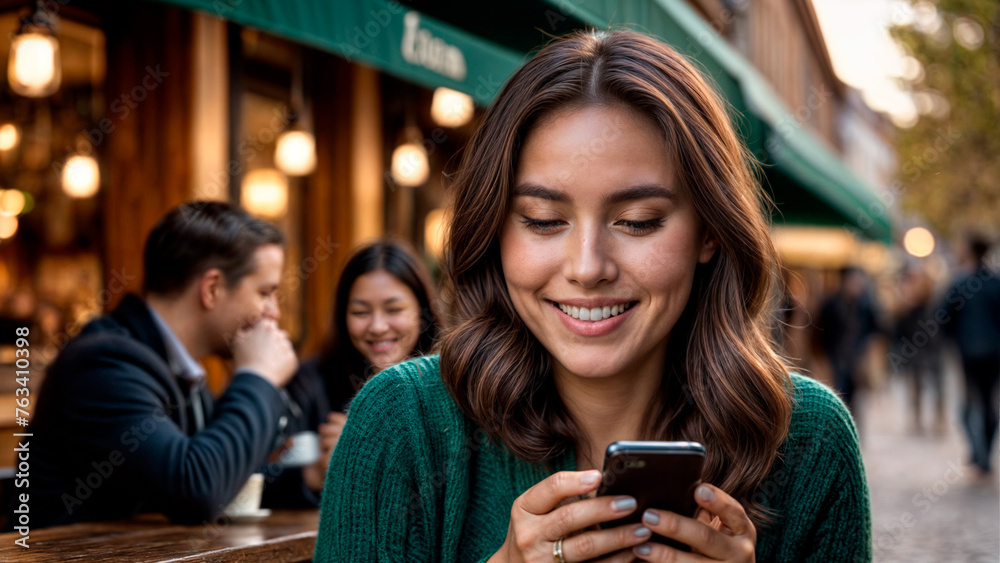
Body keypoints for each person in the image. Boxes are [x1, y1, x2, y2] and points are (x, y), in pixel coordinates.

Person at [315, 30, 871, 562]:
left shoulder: (808, 442)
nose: (586, 268)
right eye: (543, 220)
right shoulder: (400, 424)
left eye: (636, 222)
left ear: (710, 231)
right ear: (495, 229)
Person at [10, 201, 299, 529]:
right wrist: (257, 377)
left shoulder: (177, 368)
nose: (273, 312)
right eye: (265, 292)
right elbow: (197, 490)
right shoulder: (102, 366)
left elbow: (225, 472)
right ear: (212, 289)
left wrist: (306, 478)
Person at [267, 239, 441, 506]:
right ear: (342, 316)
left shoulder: (451, 385)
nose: (378, 326)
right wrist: (315, 473)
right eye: (360, 312)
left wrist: (368, 452)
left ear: (422, 312)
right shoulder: (308, 382)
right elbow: (250, 481)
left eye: (394, 309)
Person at [942, 234, 1000, 476]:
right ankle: (983, 453)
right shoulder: (995, 282)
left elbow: (944, 316)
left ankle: (979, 454)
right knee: (988, 403)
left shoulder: (960, 281)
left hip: (968, 351)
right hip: (993, 351)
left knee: (968, 405)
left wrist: (952, 340)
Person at [891, 264, 945, 434]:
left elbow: (940, 321)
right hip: (912, 347)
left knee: (937, 384)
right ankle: (917, 419)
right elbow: (897, 327)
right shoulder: (905, 301)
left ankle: (939, 419)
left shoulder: (933, 300)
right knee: (915, 385)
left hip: (932, 347)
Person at [818, 267, 879, 411]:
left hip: (857, 357)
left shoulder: (865, 305)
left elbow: (875, 329)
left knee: (855, 396)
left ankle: (853, 425)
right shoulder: (832, 304)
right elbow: (822, 332)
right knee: (839, 392)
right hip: (836, 357)